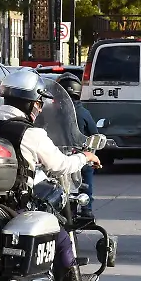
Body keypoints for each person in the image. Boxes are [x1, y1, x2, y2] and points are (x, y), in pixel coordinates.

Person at [0, 69, 112, 281]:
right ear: (30, 102)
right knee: (61, 241)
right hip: (15, 205)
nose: (39, 107)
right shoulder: (29, 133)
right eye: (38, 102)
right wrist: (85, 157)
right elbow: (60, 165)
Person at [57, 72, 96, 211]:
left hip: (58, 157)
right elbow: (94, 134)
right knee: (87, 180)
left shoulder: (52, 111)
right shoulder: (84, 112)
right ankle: (87, 211)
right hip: (79, 155)